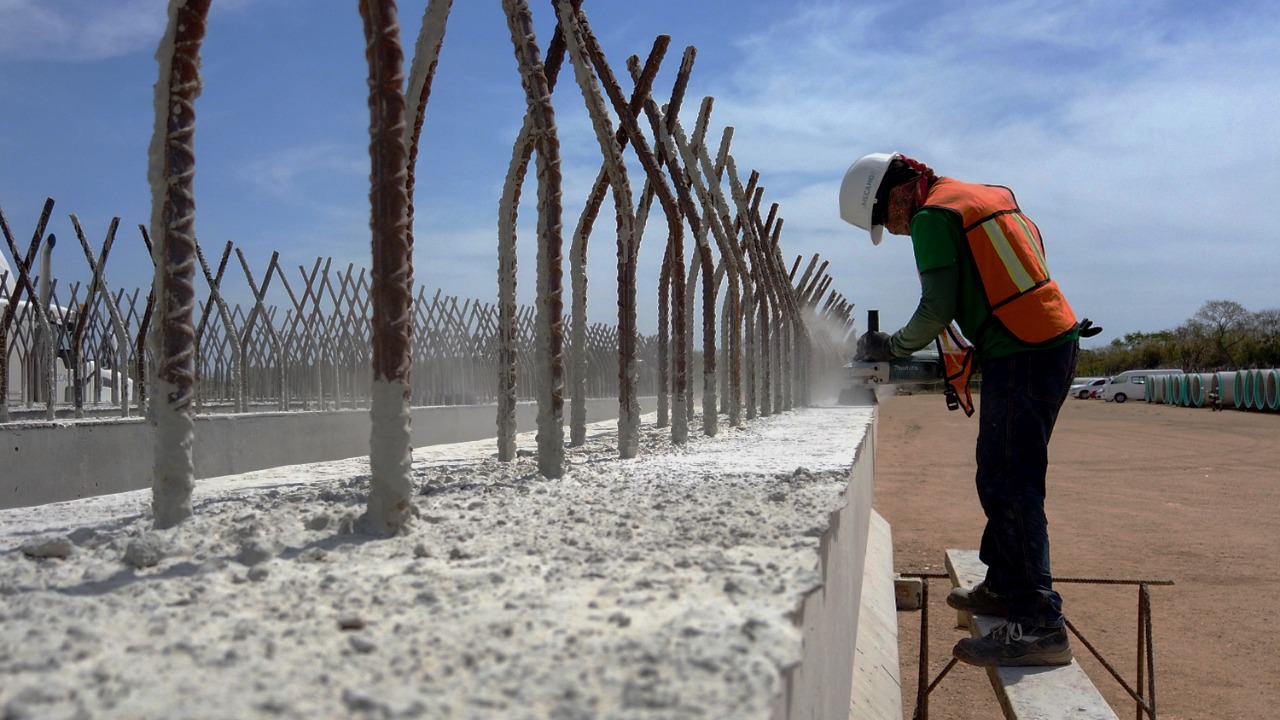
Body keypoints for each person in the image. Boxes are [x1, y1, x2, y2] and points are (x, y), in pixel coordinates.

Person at [839, 152, 1099, 668]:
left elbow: (937, 307)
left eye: (884, 221)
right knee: (1001, 473)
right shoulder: (985, 195)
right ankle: (1004, 585)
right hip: (1045, 339)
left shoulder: (933, 215)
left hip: (1024, 351)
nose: (892, 232)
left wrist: (890, 346)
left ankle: (1041, 623)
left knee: (1010, 481)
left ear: (894, 192)